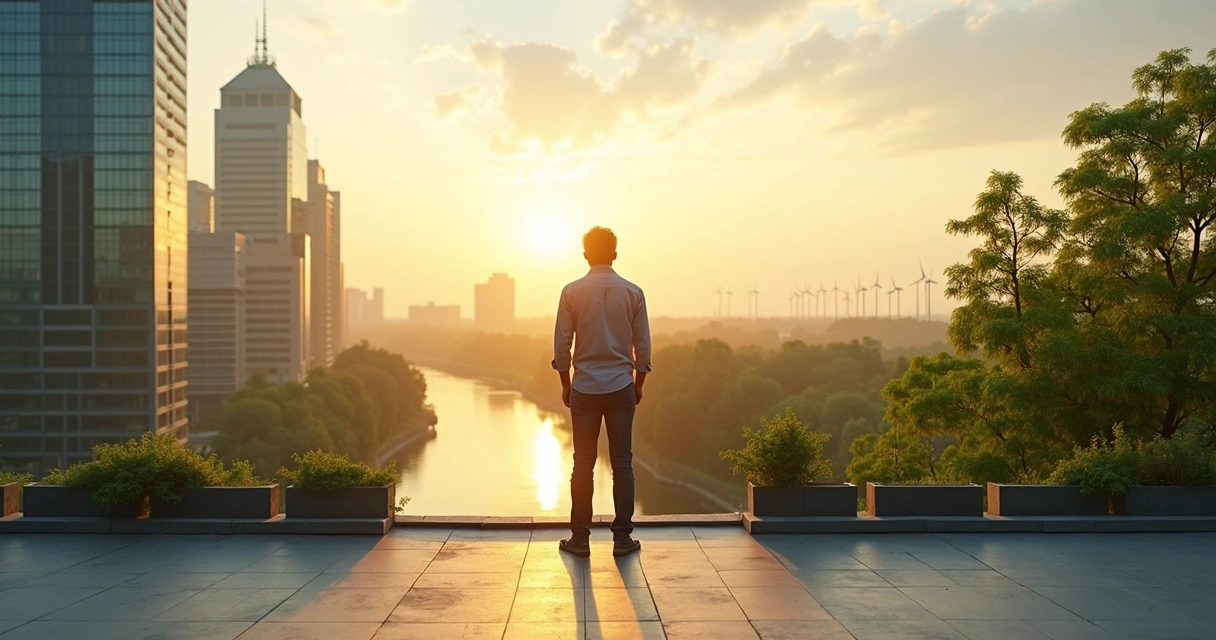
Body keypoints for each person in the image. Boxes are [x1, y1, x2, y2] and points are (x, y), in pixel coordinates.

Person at [552, 226, 651, 558]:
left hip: (585, 387)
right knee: (622, 463)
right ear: (615, 254)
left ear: (585, 255)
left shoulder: (571, 292)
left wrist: (566, 384)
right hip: (622, 385)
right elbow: (643, 346)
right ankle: (622, 539)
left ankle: (580, 538)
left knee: (583, 463)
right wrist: (638, 385)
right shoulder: (633, 292)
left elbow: (562, 344)